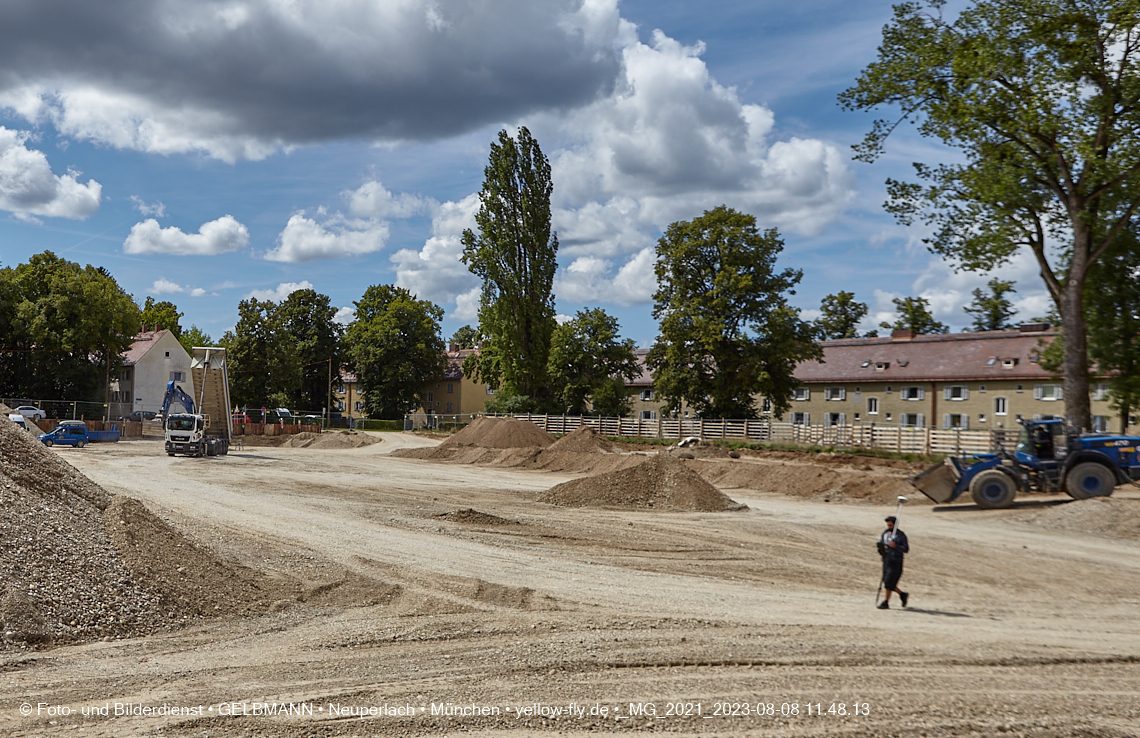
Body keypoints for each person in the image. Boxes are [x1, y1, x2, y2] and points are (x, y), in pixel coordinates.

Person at [877, 515, 909, 609]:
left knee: (889, 582)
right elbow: (882, 544)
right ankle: (902, 594)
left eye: (890, 525)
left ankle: (886, 602)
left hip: (896, 561)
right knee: (887, 581)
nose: (889, 527)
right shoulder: (886, 533)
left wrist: (896, 546)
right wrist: (881, 551)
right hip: (886, 560)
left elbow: (906, 549)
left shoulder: (901, 535)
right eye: (888, 525)